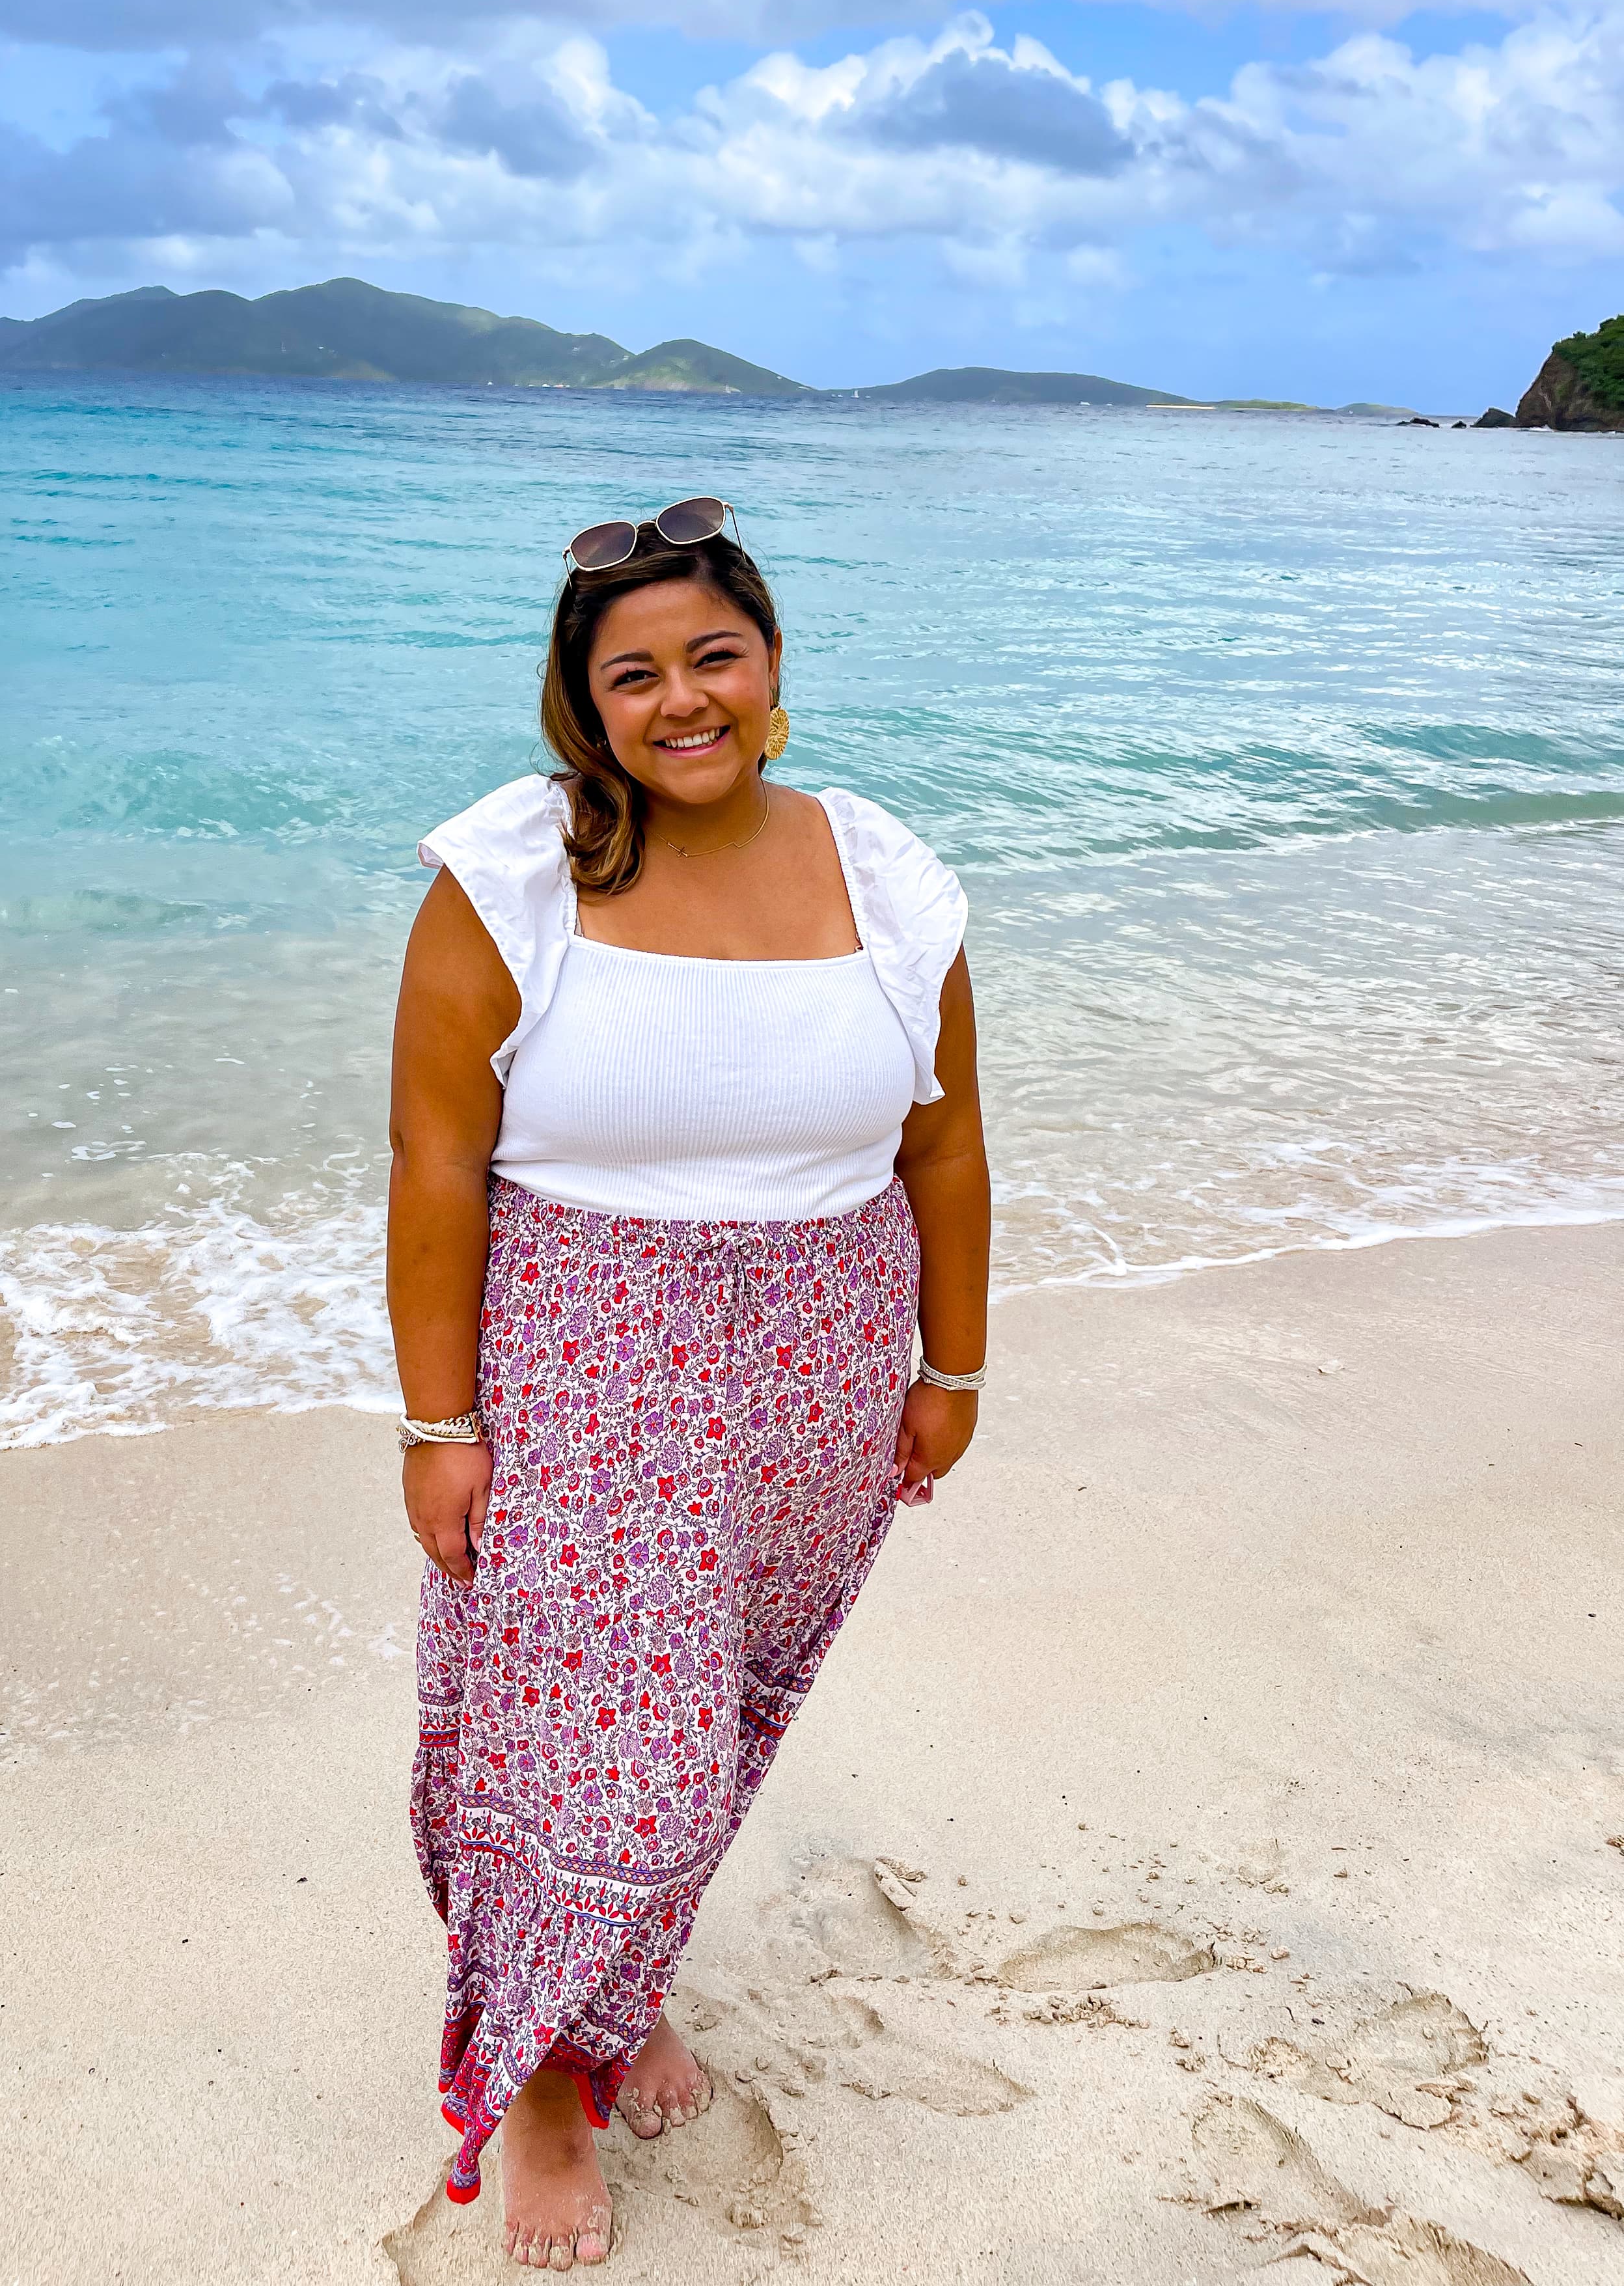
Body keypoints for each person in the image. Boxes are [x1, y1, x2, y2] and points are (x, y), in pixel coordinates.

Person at [386, 500, 990, 2268]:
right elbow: (436, 1167)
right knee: (601, 1760)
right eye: (632, 672)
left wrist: (950, 1365)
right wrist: (441, 1426)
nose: (682, 700)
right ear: (584, 701)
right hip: (586, 1362)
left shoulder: (886, 871)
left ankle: (614, 1995)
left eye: (712, 657)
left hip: (825, 1361)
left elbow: (946, 1150)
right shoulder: (508, 875)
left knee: (716, 1724)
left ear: (774, 664)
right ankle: (547, 2096)